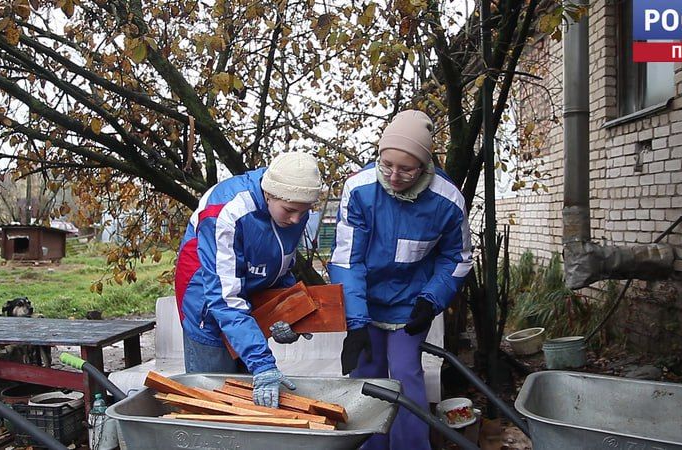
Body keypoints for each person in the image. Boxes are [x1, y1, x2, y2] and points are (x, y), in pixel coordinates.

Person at [328, 110, 473, 449]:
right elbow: (348, 259)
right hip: (365, 299)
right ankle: (368, 446)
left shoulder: (447, 200)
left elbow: (458, 258)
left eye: (406, 168)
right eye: (386, 164)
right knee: (367, 376)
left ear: (424, 166)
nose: (393, 176)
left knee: (407, 375)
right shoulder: (360, 190)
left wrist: (431, 300)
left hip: (412, 304)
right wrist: (356, 320)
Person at [175, 152, 322, 408]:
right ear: (269, 193)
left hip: (247, 302)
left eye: (305, 211)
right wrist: (263, 365)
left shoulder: (294, 206)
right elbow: (224, 298)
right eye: (290, 210)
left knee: (249, 397)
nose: (297, 220)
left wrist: (286, 312)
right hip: (207, 304)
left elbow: (280, 269)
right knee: (216, 402)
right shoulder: (225, 212)